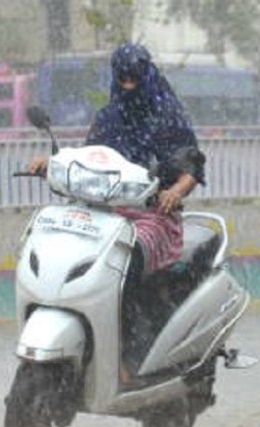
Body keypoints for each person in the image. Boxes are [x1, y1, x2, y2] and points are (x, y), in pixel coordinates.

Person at [29, 43, 206, 275]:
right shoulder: (108, 117)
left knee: (127, 257)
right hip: (102, 213)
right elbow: (89, 158)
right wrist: (51, 164)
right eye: (123, 79)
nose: (129, 86)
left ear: (146, 75)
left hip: (151, 215)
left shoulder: (168, 117)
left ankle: (135, 307)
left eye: (135, 79)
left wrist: (174, 193)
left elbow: (191, 167)